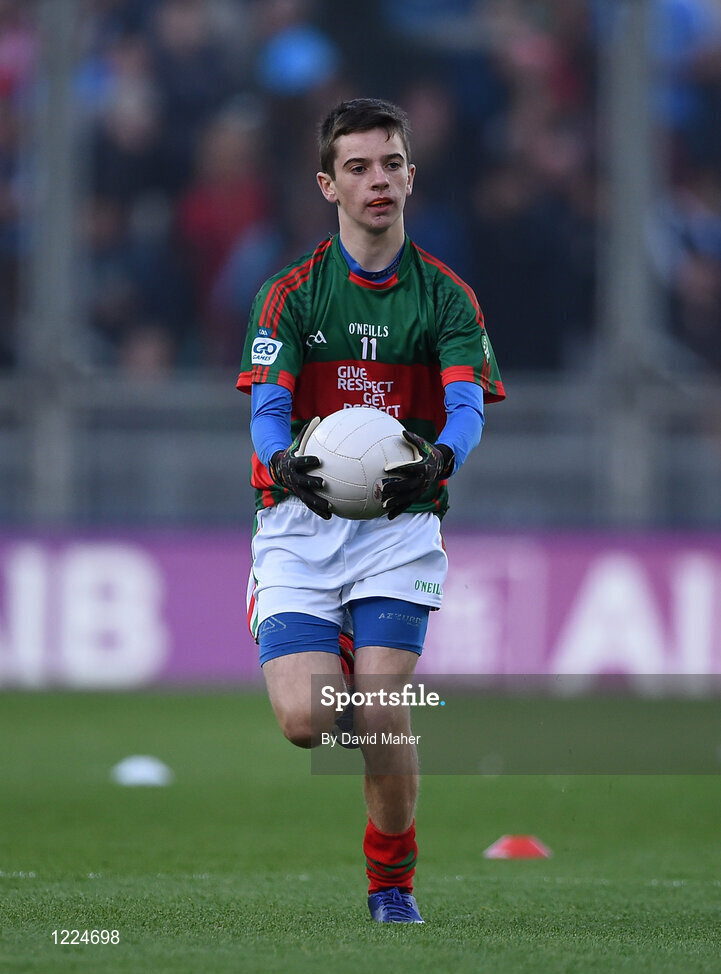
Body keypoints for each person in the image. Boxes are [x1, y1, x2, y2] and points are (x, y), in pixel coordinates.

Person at [236, 98, 504, 924]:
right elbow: (266, 405)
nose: (376, 180)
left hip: (398, 525)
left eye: (389, 164)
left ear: (410, 175)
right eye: (357, 167)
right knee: (305, 724)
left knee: (384, 710)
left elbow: (466, 407)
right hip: (299, 526)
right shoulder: (290, 294)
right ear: (328, 183)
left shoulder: (446, 298)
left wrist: (441, 460)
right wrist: (280, 461)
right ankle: (324, 631)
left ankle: (391, 888)